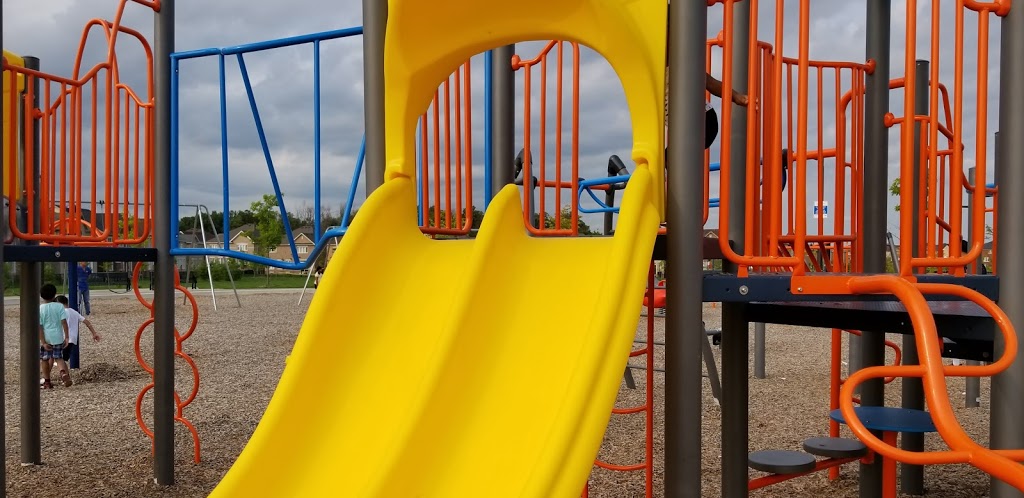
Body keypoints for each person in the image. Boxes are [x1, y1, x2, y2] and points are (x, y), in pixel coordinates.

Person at [38, 283, 72, 389]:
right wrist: (67, 337)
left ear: (41, 296)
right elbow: (64, 323)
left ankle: (47, 381)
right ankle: (63, 373)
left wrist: (43, 341)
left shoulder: (40, 308)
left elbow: (40, 326)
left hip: (46, 337)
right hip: (57, 336)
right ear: (54, 295)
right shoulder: (59, 306)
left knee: (44, 359)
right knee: (59, 358)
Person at [55, 295, 101, 369]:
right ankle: (64, 373)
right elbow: (86, 322)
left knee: (58, 358)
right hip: (73, 339)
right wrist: (94, 333)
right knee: (63, 358)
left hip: (63, 338)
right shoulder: (74, 312)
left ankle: (63, 373)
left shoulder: (61, 313)